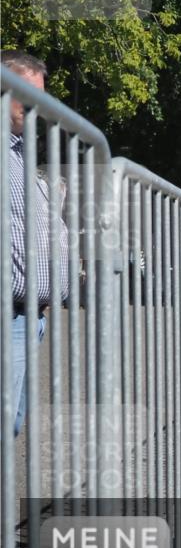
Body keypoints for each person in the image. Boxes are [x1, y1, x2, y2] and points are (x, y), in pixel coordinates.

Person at [3, 49, 70, 436]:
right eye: (26, 95)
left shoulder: (19, 154)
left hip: (30, 316)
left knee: (11, 425)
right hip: (8, 314)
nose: (36, 107)